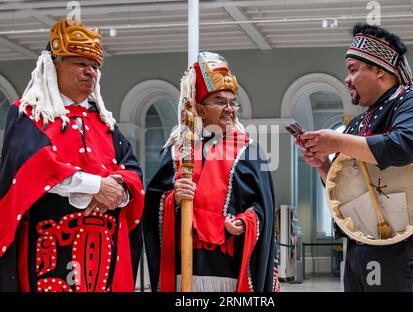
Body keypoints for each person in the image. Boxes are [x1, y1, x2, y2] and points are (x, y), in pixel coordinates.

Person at [0, 18, 144, 292]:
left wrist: (120, 187)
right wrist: (96, 186)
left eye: (95, 66)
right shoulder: (29, 114)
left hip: (106, 256)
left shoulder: (105, 123)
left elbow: (133, 171)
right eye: (80, 63)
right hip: (49, 251)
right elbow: (34, 166)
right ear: (53, 66)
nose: (91, 72)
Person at [298, 24, 413, 291]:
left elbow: (406, 144)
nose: (347, 79)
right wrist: (323, 165)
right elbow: (346, 188)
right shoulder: (359, 123)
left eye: (353, 70)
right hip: (357, 248)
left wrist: (337, 140)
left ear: (379, 70)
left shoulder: (411, 103)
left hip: (397, 250)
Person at [143, 51, 277, 292]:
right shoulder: (178, 151)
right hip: (184, 269)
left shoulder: (250, 151)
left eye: (232, 102)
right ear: (200, 109)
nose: (229, 109)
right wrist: (173, 198)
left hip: (231, 270)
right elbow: (153, 205)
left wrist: (246, 222)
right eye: (220, 102)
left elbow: (263, 208)